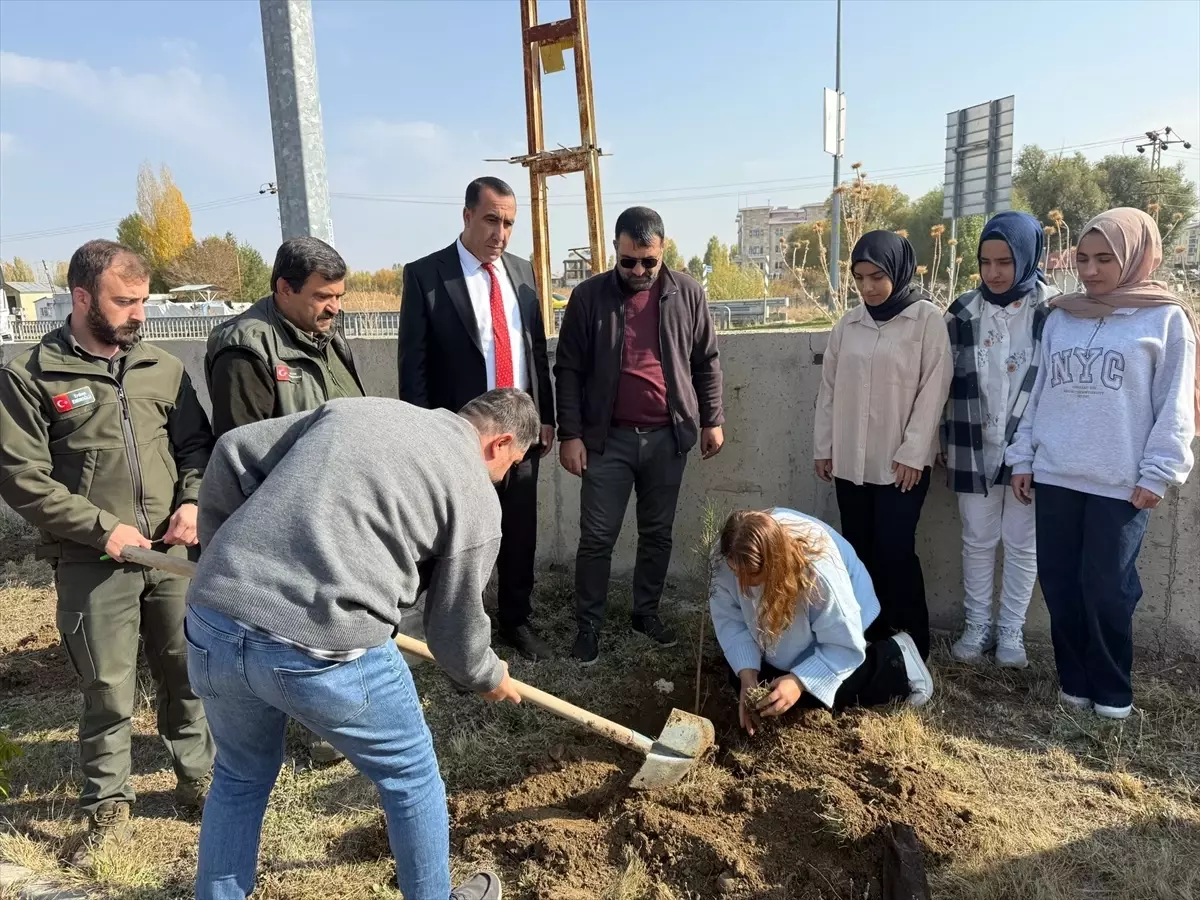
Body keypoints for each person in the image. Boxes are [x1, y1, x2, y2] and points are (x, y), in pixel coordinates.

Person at [185, 390, 537, 900]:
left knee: (239, 777)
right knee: (411, 777)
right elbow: (454, 627)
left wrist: (221, 559)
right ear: (499, 443)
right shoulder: (475, 494)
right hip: (322, 645)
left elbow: (234, 448)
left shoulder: (362, 409)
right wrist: (486, 675)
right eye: (512, 465)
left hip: (213, 621)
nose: (503, 479)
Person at [0, 240, 214, 866]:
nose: (139, 314)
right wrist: (101, 530)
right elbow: (22, 478)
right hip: (92, 561)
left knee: (187, 671)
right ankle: (107, 807)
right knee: (107, 686)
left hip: (171, 555)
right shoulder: (30, 375)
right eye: (125, 302)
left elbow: (196, 448)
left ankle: (200, 779)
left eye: (143, 300)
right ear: (82, 297)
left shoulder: (161, 368)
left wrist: (192, 502)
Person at [1008, 207, 1197, 720]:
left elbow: (1175, 404)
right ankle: (1073, 682)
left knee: (1108, 590)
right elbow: (1039, 392)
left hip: (1120, 482)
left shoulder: (1166, 319)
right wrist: (1023, 456)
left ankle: (1112, 692)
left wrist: (1159, 472)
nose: (1090, 271)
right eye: (1083, 259)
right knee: (1060, 584)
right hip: (1055, 474)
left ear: (1137, 257)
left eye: (1105, 259)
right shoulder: (1063, 316)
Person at [205, 235, 363, 766]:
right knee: (303, 624)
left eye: (339, 296)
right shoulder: (245, 349)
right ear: (283, 289)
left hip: (338, 506)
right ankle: (313, 724)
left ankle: (333, 715)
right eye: (323, 296)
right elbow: (243, 450)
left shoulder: (327, 336)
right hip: (290, 516)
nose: (334, 307)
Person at [555, 206, 725, 666]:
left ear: (663, 250)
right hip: (606, 441)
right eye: (628, 260)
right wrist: (570, 433)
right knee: (597, 537)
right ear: (615, 249)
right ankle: (588, 626)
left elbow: (706, 361)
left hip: (668, 438)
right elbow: (567, 370)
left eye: (648, 261)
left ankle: (645, 613)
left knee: (657, 534)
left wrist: (711, 419)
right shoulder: (588, 297)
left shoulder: (688, 292)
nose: (638, 270)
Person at [399, 176, 556, 661]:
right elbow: (414, 366)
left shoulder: (523, 273)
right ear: (467, 215)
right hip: (459, 438)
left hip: (519, 434)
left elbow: (535, 351)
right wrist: (425, 435)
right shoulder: (427, 276)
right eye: (491, 220)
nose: (500, 233)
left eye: (508, 223)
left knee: (520, 532)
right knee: (455, 538)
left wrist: (546, 416)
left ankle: (516, 619)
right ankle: (451, 628)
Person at [813, 230, 952, 660]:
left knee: (895, 552)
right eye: (859, 278)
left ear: (898, 270)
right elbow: (829, 389)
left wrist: (914, 453)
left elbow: (935, 389)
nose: (868, 287)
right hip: (849, 461)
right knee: (857, 551)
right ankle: (868, 642)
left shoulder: (926, 319)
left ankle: (911, 645)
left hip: (899, 465)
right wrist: (824, 447)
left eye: (877, 276)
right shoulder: (848, 324)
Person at [943, 211, 1059, 668]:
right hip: (973, 443)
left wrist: (1029, 451)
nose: (993, 273)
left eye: (1005, 262)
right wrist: (941, 440)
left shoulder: (1053, 313)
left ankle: (1011, 630)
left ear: (1028, 258)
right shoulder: (962, 312)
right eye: (985, 262)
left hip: (1030, 447)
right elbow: (942, 382)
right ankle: (978, 625)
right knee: (976, 538)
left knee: (1022, 543)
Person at [711, 509, 934, 734]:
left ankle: (897, 661)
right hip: (783, 625)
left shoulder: (818, 569)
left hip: (842, 620)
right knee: (747, 682)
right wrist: (747, 676)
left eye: (751, 575)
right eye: (735, 572)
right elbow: (730, 619)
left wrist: (799, 681)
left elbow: (842, 645)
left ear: (774, 564)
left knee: (814, 694)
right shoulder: (728, 554)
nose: (742, 586)